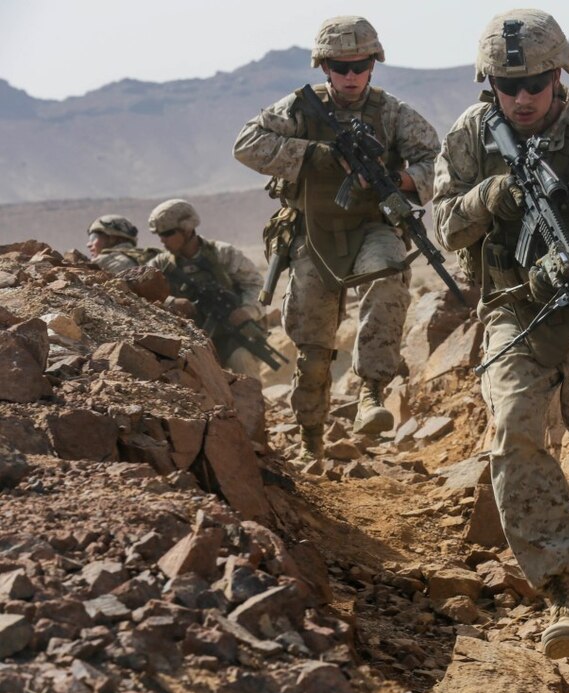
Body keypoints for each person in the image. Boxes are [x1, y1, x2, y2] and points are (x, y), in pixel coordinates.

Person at [432, 9, 569, 659]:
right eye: (509, 84)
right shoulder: (472, 138)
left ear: (559, 76)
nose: (524, 96)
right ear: (489, 85)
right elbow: (445, 224)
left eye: (537, 81)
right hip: (513, 311)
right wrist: (493, 197)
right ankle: (561, 590)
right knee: (514, 426)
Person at [232, 16, 440, 462]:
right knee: (313, 342)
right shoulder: (301, 108)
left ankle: (371, 392)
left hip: (373, 226)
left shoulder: (392, 113)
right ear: (324, 67)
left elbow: (435, 162)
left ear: (373, 65)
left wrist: (398, 179)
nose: (351, 76)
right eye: (340, 67)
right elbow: (247, 144)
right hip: (314, 231)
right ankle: (311, 435)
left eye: (360, 65)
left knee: (389, 276)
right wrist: (314, 155)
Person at [145, 199, 265, 379]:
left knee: (243, 360)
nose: (162, 240)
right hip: (185, 340)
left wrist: (248, 310)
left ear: (187, 229)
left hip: (228, 336)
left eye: (168, 233)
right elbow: (140, 293)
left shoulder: (223, 254)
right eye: (159, 235)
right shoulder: (160, 264)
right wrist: (170, 302)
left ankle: (252, 405)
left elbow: (255, 284)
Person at [86, 215, 156, 273]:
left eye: (94, 237)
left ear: (113, 238)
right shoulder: (148, 258)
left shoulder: (104, 261)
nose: (88, 244)